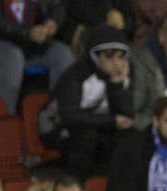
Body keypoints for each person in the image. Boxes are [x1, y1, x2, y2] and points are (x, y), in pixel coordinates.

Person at [46, 23, 132, 180]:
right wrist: (111, 121)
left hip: (100, 128)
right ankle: (78, 186)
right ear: (95, 55)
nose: (116, 62)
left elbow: (126, 116)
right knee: (86, 134)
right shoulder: (75, 75)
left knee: (129, 136)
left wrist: (117, 86)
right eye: (109, 56)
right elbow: (68, 116)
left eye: (120, 57)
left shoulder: (123, 74)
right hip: (61, 129)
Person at [0, 0, 74, 118]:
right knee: (13, 57)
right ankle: (4, 118)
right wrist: (26, 32)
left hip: (33, 45)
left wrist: (53, 22)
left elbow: (57, 6)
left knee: (62, 53)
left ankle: (61, 116)